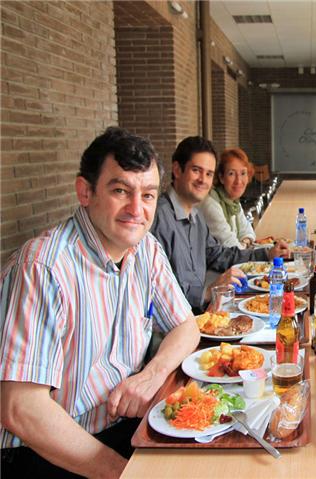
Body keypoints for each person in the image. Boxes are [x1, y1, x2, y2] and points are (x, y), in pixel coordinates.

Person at [0, 127, 200, 478]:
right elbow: (21, 409)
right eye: (121, 190)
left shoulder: (146, 250)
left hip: (119, 428)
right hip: (44, 451)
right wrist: (124, 474)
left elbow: (187, 326)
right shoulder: (43, 267)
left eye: (148, 195)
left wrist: (151, 375)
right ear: (85, 192)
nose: (137, 209)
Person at [151, 136, 288, 313]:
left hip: (203, 313)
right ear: (177, 170)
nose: (203, 179)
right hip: (178, 327)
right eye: (196, 170)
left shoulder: (195, 215)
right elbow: (157, 290)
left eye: (208, 173)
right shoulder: (158, 218)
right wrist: (207, 292)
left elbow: (219, 255)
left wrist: (266, 253)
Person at [200, 147, 257, 249]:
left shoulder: (233, 201)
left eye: (243, 173)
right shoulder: (211, 204)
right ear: (221, 177)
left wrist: (245, 241)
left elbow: (248, 231)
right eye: (231, 174)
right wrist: (245, 244)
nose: (238, 181)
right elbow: (231, 246)